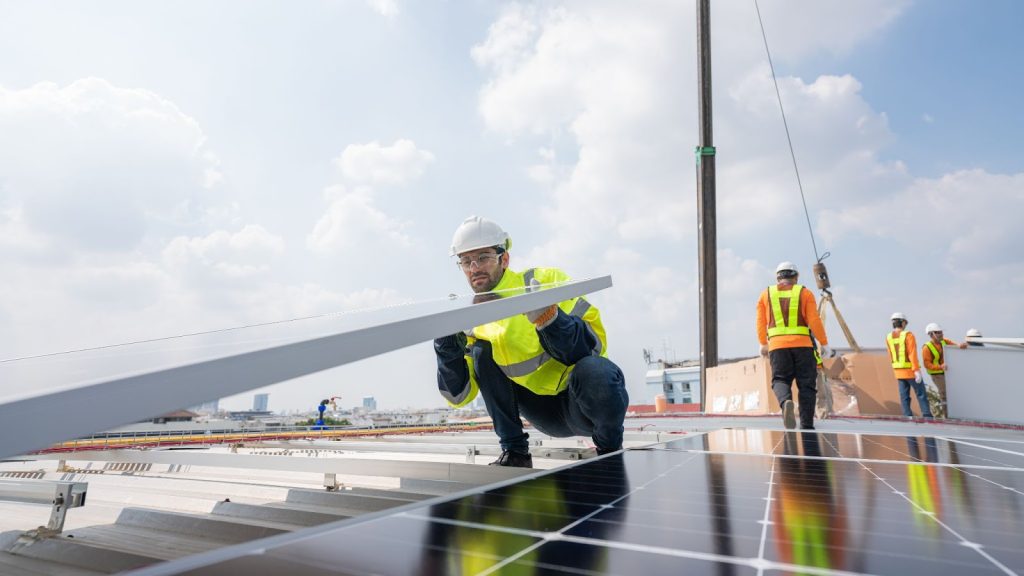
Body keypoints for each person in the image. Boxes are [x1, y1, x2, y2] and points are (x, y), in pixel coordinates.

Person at [433, 216, 629, 468]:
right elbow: (459, 396)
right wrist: (446, 344)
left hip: (578, 402)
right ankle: (515, 452)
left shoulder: (542, 281)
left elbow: (593, 348)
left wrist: (550, 320)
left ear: (504, 259)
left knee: (598, 371)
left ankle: (609, 448)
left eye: (483, 257)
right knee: (482, 350)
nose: (474, 268)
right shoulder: (472, 319)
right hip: (540, 411)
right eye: (466, 261)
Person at [756, 261, 831, 430]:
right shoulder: (805, 293)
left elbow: (760, 322)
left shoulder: (766, 295)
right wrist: (824, 343)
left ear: (777, 278)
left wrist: (762, 343)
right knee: (807, 384)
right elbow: (814, 321)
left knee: (780, 380)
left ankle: (786, 402)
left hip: (777, 346)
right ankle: (806, 424)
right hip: (803, 346)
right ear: (796, 277)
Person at [886, 313, 931, 418]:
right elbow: (912, 353)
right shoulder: (908, 335)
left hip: (898, 372)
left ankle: (907, 418)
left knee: (904, 397)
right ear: (902, 322)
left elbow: (890, 355)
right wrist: (916, 370)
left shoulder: (888, 337)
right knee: (921, 395)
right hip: (910, 371)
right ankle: (927, 417)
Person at [922, 323, 967, 410]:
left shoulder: (944, 341)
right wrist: (940, 367)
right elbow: (927, 364)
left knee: (953, 393)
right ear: (931, 334)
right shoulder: (927, 348)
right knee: (944, 393)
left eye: (941, 332)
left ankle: (954, 413)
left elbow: (952, 344)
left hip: (945, 372)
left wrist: (959, 345)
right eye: (938, 332)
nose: (941, 334)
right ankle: (947, 415)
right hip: (936, 374)